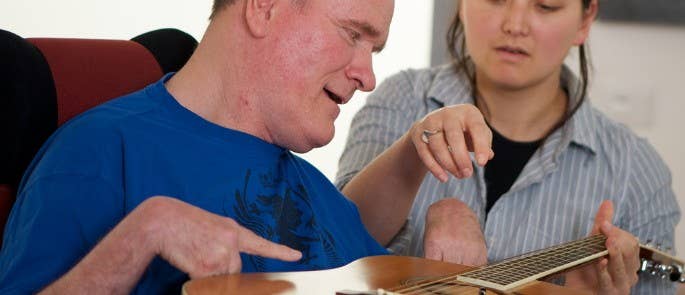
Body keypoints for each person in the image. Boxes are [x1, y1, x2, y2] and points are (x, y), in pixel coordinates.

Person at [0, 0, 395, 293]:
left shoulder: (316, 189)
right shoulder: (97, 156)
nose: (368, 77)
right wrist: (140, 238)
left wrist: (451, 262)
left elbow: (400, 280)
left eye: (373, 50)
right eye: (353, 34)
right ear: (264, 8)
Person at [336, 0, 680, 294]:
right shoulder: (399, 101)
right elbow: (332, 243)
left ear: (585, 20)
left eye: (545, 5)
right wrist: (411, 159)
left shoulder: (638, 173)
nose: (514, 25)